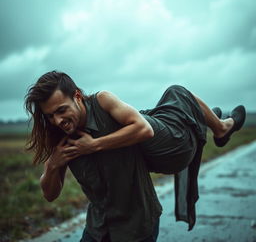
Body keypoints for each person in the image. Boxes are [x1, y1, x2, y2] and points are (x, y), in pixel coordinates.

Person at [25, 71, 246, 242]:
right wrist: (53, 165)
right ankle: (208, 122)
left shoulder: (103, 103)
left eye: (62, 110)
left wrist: (94, 146)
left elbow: (144, 129)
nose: (57, 120)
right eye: (50, 115)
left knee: (177, 94)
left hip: (137, 227)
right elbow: (50, 195)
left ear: (78, 97)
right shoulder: (61, 136)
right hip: (98, 228)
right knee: (175, 103)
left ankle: (215, 126)